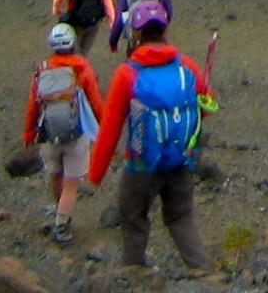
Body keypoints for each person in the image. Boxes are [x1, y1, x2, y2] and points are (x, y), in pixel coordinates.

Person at [87, 24, 215, 272]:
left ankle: (133, 276)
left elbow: (110, 128)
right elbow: (206, 108)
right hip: (180, 158)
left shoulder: (127, 73)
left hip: (142, 164)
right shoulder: (185, 65)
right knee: (181, 217)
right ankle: (204, 273)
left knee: (133, 219)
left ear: (136, 34)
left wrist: (95, 174)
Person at [21, 21, 103, 244]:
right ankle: (61, 225)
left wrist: (29, 134)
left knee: (55, 175)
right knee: (71, 183)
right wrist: (104, 126)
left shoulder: (42, 69)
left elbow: (32, 105)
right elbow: (95, 101)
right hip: (76, 134)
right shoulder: (81, 68)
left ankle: (61, 212)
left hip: (48, 133)